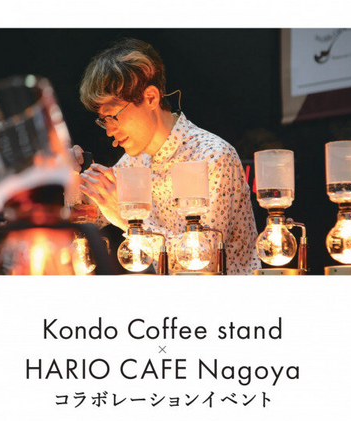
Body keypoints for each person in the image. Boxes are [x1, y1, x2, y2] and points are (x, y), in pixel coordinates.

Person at [73, 38, 260, 275]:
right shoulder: (132, 163)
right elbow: (85, 218)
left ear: (151, 98)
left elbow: (205, 263)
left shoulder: (212, 156)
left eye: (113, 116)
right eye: (103, 120)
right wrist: (69, 178)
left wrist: (126, 219)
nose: (109, 130)